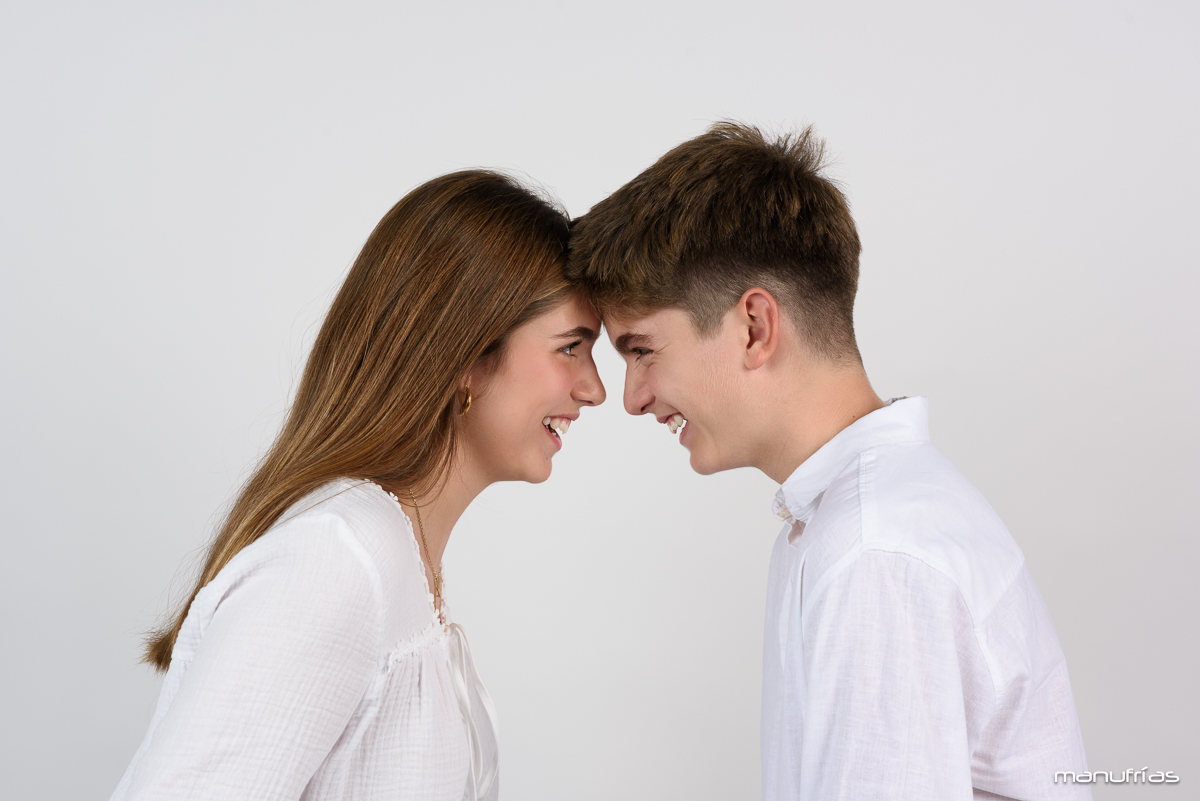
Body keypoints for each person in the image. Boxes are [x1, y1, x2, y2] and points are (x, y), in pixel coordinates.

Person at [567, 122, 1090, 800]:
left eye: (641, 350)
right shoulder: (862, 519)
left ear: (755, 326)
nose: (632, 398)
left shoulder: (873, 551)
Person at [112, 170, 605, 801]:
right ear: (467, 353)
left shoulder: (393, 559)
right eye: (571, 348)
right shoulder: (337, 563)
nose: (594, 388)